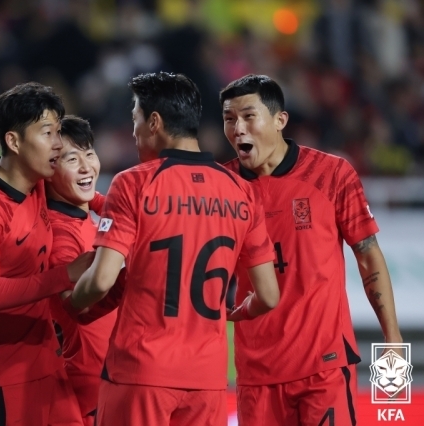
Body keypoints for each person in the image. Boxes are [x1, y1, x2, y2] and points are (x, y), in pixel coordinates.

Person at [66, 72, 280, 426]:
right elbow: (269, 296)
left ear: (154, 122)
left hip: (141, 371)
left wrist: (69, 305)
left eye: (135, 119)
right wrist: (233, 312)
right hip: (207, 378)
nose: (133, 132)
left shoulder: (135, 182)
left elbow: (102, 279)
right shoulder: (241, 191)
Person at [220, 74, 403, 426]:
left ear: (280, 120)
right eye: (229, 119)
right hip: (256, 373)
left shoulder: (332, 175)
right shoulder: (222, 187)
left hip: (325, 365)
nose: (238, 129)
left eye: (247, 116)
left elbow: (367, 256)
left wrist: (392, 339)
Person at [0, 82, 91, 426]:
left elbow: (90, 195)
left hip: (46, 363)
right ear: (13, 141)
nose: (58, 144)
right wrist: (65, 275)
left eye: (59, 131)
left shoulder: (40, 182)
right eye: (47, 133)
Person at [45, 115, 119, 426]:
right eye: (72, 159)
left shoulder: (81, 215)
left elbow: (109, 204)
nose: (87, 166)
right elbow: (73, 302)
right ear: (48, 170)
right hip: (89, 389)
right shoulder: (60, 234)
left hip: (106, 379)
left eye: (89, 153)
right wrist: (126, 284)